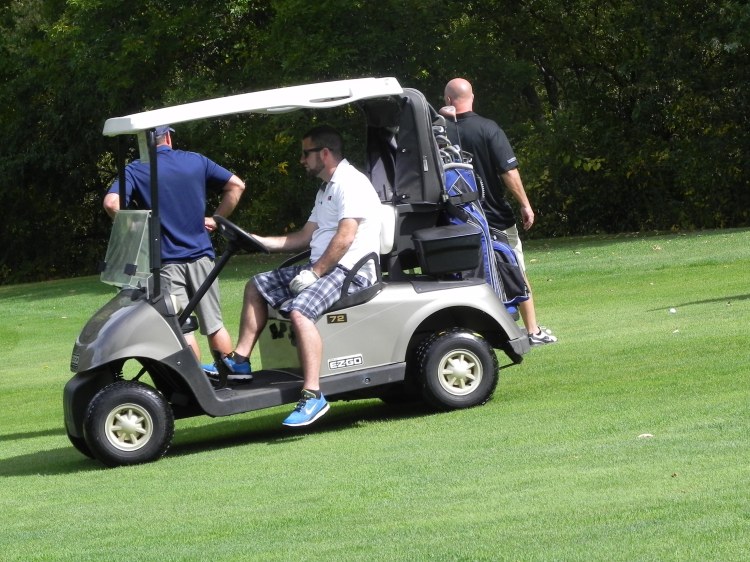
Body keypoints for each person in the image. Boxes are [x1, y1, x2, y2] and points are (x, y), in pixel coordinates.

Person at [222, 125, 382, 427]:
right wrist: (259, 241)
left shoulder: (351, 184)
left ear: (325, 153)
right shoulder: (326, 189)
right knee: (256, 285)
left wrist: (315, 273)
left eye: (305, 153)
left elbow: (346, 237)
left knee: (300, 310)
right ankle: (240, 362)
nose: (301, 160)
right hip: (324, 266)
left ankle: (313, 395)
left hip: (351, 270)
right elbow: (305, 237)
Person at [103, 125, 246, 370]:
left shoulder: (136, 169)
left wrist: (136, 226)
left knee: (183, 327)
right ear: (168, 136)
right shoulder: (196, 160)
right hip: (202, 257)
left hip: (166, 262)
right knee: (214, 325)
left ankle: (198, 385)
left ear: (143, 142)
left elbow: (111, 203)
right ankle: (233, 375)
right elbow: (237, 185)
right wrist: (216, 218)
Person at [441, 78, 557, 346]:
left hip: (455, 221)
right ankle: (532, 331)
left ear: (447, 100)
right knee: (515, 267)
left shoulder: (437, 133)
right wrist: (525, 204)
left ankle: (466, 333)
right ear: (473, 97)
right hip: (494, 216)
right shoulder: (488, 128)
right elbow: (509, 172)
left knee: (463, 276)